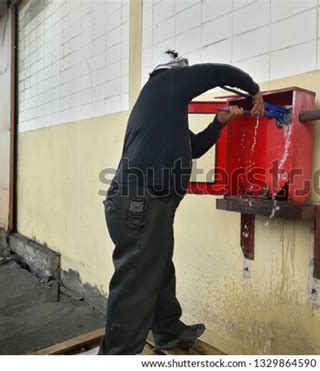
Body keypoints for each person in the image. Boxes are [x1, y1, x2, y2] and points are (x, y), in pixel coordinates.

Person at [99, 50, 264, 354]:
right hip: (141, 202)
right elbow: (217, 71)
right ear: (172, 72)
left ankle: (168, 331)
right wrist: (253, 89)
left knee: (159, 267)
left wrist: (219, 123)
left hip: (146, 204)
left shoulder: (162, 109)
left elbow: (195, 148)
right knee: (136, 284)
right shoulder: (166, 83)